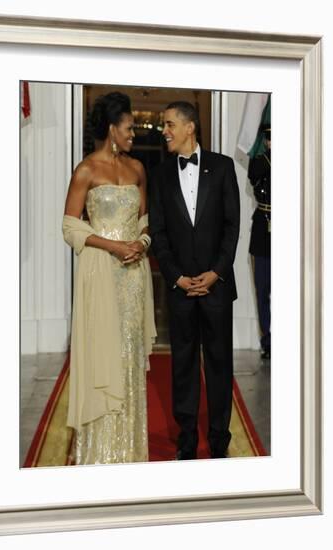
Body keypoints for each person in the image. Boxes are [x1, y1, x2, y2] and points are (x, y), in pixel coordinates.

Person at [62, 92, 156, 465]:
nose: (135, 134)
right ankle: (99, 453)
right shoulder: (86, 170)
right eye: (130, 128)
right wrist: (113, 247)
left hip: (134, 277)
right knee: (103, 352)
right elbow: (70, 226)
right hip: (100, 273)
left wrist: (142, 243)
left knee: (129, 354)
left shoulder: (137, 169)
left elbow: (146, 220)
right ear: (112, 128)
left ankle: (129, 450)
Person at [149, 101, 240, 460]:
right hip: (181, 290)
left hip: (216, 287)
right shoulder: (160, 174)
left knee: (219, 365)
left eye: (169, 124)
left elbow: (232, 226)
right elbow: (158, 232)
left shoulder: (222, 167)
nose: (165, 131)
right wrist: (177, 277)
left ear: (190, 127)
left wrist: (216, 273)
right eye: (163, 124)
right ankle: (186, 439)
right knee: (183, 366)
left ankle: (219, 440)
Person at [248, 124, 271, 360]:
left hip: (288, 229)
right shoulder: (260, 161)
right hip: (263, 229)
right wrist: (271, 155)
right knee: (262, 288)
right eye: (269, 138)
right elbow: (254, 174)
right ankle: (268, 340)